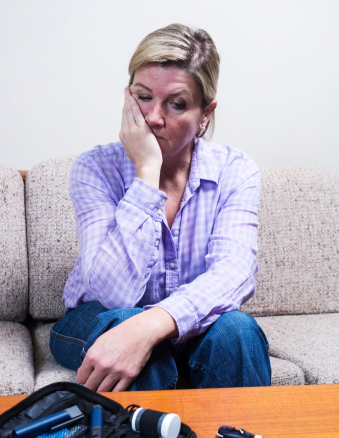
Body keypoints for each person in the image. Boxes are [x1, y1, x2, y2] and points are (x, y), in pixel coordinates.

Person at [49, 23, 271, 393]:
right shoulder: (94, 168)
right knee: (123, 321)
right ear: (127, 96)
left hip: (187, 324)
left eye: (177, 104)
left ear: (205, 114)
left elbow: (235, 272)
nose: (153, 117)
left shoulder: (236, 170)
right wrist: (146, 174)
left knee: (238, 329)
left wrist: (154, 324)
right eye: (144, 97)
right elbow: (111, 291)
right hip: (96, 317)